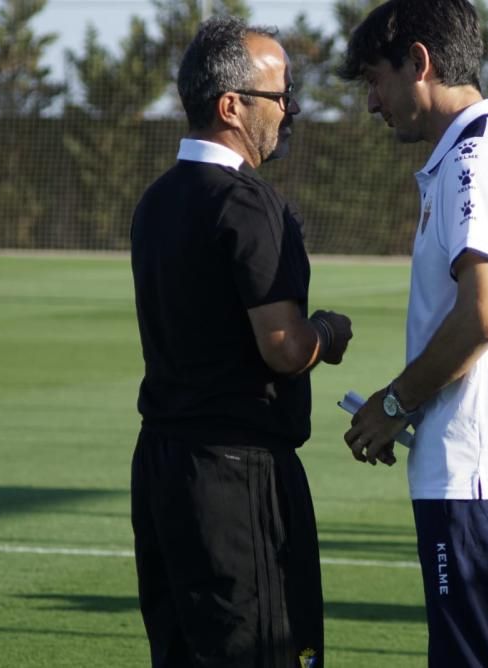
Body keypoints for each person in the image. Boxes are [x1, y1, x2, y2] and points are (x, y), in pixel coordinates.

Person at [338, 0, 488, 665]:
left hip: (479, 475)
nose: (371, 103)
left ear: (419, 62)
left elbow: (482, 315)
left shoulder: (474, 163)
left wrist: (392, 404)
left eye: (374, 81)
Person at [129, 16, 350, 668]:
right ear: (231, 105)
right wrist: (331, 333)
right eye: (280, 96)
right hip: (236, 474)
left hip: (163, 466)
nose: (290, 111)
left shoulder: (157, 199)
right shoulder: (247, 202)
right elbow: (284, 345)